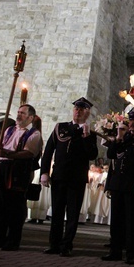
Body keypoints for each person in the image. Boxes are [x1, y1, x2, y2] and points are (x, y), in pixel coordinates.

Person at [40, 97, 98, 257]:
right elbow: (48, 151)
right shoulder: (61, 127)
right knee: (56, 212)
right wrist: (45, 172)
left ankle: (66, 245)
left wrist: (86, 137)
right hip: (59, 176)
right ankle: (54, 243)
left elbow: (92, 154)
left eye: (81, 109)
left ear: (87, 113)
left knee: (72, 214)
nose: (77, 111)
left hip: (77, 179)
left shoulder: (90, 133)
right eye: (76, 109)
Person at [101, 108, 134, 264]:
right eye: (130, 120)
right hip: (118, 184)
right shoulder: (124, 137)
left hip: (133, 185)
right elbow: (111, 155)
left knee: (131, 220)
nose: (131, 123)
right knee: (116, 219)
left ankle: (132, 253)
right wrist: (118, 138)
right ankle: (115, 250)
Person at [0, 104, 42, 251]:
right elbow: (1, 147)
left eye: (22, 113)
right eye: (18, 112)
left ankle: (13, 240)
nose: (18, 115)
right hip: (2, 169)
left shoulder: (34, 134)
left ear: (30, 117)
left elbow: (28, 153)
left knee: (14, 207)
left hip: (18, 171)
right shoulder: (9, 130)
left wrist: (6, 154)